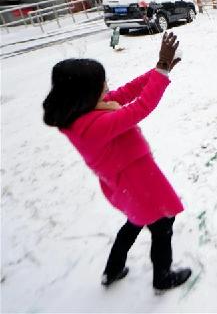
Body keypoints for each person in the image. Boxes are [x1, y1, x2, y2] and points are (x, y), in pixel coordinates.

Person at [42, 32, 191, 290]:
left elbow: (129, 91)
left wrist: (160, 68)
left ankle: (112, 271)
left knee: (135, 221)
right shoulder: (92, 125)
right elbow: (140, 107)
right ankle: (162, 277)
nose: (108, 87)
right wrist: (162, 72)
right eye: (102, 84)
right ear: (85, 93)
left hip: (123, 182)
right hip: (137, 181)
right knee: (162, 221)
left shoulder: (85, 111)